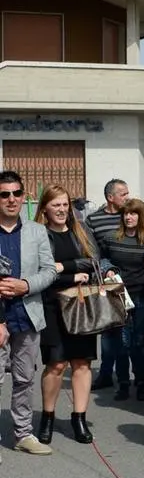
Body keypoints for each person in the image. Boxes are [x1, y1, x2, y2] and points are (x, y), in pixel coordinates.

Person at [35, 185, 107, 445]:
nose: (62, 210)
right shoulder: (39, 235)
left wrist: (64, 267)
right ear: (45, 208)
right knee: (55, 365)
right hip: (52, 306)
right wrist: (71, 274)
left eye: (65, 204)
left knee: (82, 363)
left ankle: (79, 417)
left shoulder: (81, 230)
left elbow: (94, 261)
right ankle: (48, 416)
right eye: (56, 205)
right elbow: (40, 271)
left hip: (81, 305)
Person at [0, 171, 56, 456]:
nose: (11, 199)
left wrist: (25, 285)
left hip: (27, 315)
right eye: (4, 194)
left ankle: (23, 433)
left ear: (24, 196)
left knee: (24, 378)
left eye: (16, 193)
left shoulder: (36, 231)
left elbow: (49, 271)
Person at [101, 198, 144, 401]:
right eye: (126, 213)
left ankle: (142, 381)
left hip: (142, 295)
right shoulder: (112, 237)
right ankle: (123, 383)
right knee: (121, 341)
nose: (129, 217)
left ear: (141, 216)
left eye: (133, 213)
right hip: (118, 293)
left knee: (140, 340)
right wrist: (109, 269)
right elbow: (101, 258)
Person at [87, 178, 129, 390]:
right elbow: (91, 250)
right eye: (123, 194)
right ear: (110, 197)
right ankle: (106, 374)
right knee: (108, 329)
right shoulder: (93, 220)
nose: (126, 197)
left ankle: (125, 378)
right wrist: (104, 270)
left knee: (125, 331)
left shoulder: (128, 216)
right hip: (105, 281)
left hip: (129, 280)